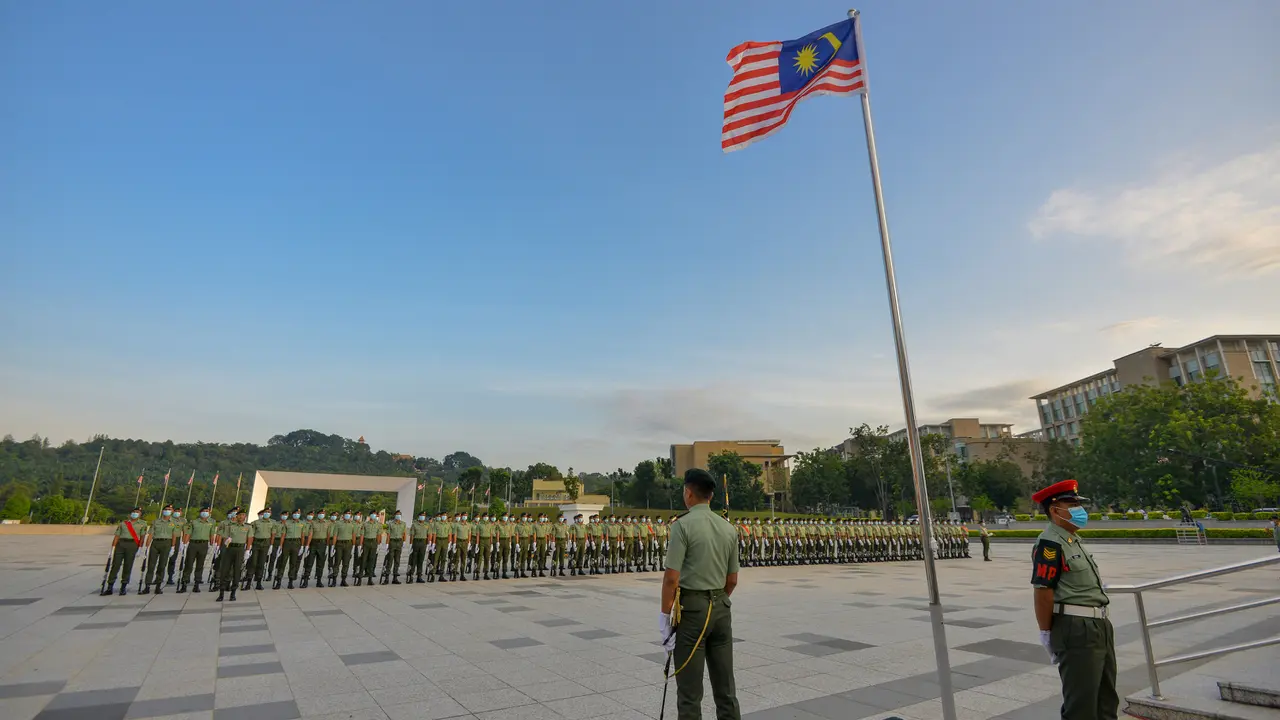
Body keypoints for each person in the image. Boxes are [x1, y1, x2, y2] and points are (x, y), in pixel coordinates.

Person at [1031, 479, 1117, 720]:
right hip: (1077, 628)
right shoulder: (1049, 543)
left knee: (1106, 699)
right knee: (1082, 704)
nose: (1079, 510)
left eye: (1079, 504)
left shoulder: (1072, 540)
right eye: (1072, 505)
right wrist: (1045, 632)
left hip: (1099, 625)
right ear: (1054, 509)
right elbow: (1043, 592)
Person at [660, 469, 741, 720]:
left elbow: (671, 578)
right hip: (721, 609)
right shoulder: (728, 528)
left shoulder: (682, 526)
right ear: (711, 495)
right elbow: (732, 580)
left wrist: (664, 617)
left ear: (688, 493)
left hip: (693, 611)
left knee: (689, 693)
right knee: (726, 690)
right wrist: (716, 598)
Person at [102, 507, 147, 595]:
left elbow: (142, 537)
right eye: (134, 511)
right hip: (121, 544)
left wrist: (140, 548)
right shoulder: (123, 523)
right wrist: (112, 548)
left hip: (132, 544)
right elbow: (117, 535)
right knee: (115, 565)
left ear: (140, 514)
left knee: (128, 565)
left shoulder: (142, 524)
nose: (135, 513)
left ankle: (123, 586)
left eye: (137, 512)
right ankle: (110, 586)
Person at [178, 505, 216, 593]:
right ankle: (184, 583)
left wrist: (212, 545)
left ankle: (197, 584)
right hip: (193, 544)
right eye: (204, 511)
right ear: (200, 513)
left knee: (200, 565)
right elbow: (188, 533)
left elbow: (211, 534)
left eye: (207, 511)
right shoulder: (194, 522)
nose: (205, 513)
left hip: (204, 545)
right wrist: (184, 544)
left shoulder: (211, 523)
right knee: (188, 564)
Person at [143, 504, 179, 594]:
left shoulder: (174, 523)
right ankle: (147, 585)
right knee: (151, 565)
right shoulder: (156, 521)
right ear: (162, 511)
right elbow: (150, 534)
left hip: (167, 543)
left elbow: (174, 536)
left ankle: (158, 586)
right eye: (166, 509)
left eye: (169, 509)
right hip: (155, 543)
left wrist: (173, 547)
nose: (167, 511)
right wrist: (147, 547)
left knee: (162, 566)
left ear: (172, 511)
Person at [216, 509, 251, 602]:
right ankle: (221, 593)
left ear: (245, 517)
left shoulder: (248, 527)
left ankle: (233, 593)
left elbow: (249, 538)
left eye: (243, 515)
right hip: (229, 549)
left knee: (237, 571)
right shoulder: (230, 526)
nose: (241, 517)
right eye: (240, 515)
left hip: (240, 549)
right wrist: (226, 543)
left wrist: (247, 550)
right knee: (225, 570)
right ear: (237, 516)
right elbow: (225, 537)